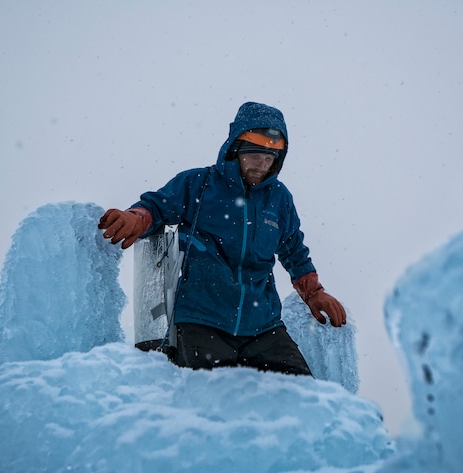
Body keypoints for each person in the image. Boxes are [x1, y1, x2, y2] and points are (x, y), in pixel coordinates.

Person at [99, 102, 346, 376]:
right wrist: (136, 217)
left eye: (271, 157)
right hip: (202, 320)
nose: (262, 164)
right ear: (236, 149)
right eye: (256, 154)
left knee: (301, 394)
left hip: (262, 326)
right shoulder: (199, 184)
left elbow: (293, 249)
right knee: (213, 401)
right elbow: (157, 207)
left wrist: (314, 293)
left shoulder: (279, 198)